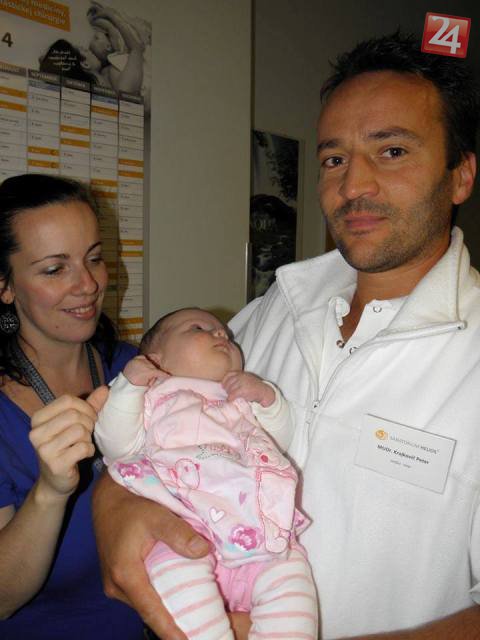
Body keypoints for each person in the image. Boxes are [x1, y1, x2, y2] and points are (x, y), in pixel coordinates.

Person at [92, 32, 480, 639]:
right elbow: (152, 433)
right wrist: (112, 507)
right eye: (334, 159)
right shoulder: (274, 309)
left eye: (392, 150)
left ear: (460, 175)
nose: (354, 186)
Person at [94, 307, 317, 640]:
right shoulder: (152, 395)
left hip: (262, 534)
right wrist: (130, 385)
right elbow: (115, 445)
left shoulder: (240, 400)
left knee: (293, 591)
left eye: (227, 335)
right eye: (199, 328)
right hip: (183, 525)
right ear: (156, 360)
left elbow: (278, 443)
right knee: (185, 598)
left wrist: (267, 399)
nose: (221, 334)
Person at [0, 174, 144, 639]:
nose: (88, 284)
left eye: (94, 259)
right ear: (5, 286)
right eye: (54, 269)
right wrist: (49, 492)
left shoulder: (138, 369)